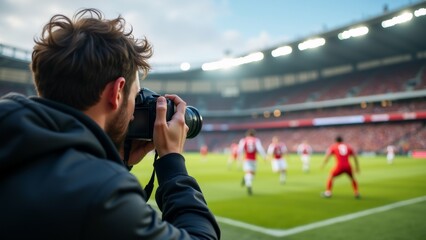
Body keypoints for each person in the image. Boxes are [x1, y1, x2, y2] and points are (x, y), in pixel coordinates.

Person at [0, 9, 220, 239]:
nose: (135, 113)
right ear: (116, 92)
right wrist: (172, 163)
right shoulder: (99, 194)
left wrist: (118, 161)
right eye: (135, 97)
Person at [238, 129, 266, 195]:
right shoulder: (256, 140)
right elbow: (260, 148)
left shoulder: (243, 140)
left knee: (249, 173)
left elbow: (240, 149)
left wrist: (239, 157)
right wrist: (264, 156)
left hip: (246, 158)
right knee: (252, 174)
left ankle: (245, 179)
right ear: (254, 134)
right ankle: (249, 185)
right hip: (254, 159)